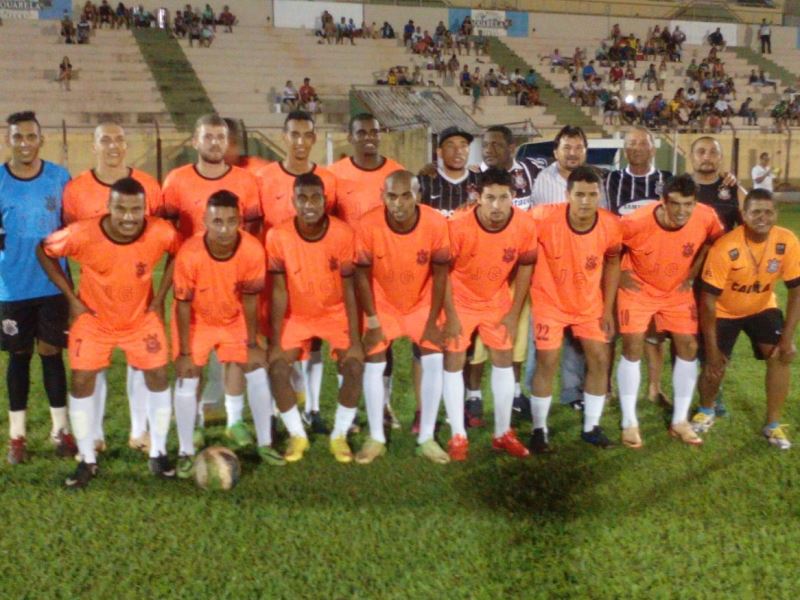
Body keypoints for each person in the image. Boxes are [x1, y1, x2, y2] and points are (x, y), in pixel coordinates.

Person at [37, 178, 178, 487]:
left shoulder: (160, 231)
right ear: (109, 207)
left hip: (140, 319)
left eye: (136, 209)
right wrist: (71, 298)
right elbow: (44, 250)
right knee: (82, 381)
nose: (129, 217)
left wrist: (159, 298)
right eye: (121, 209)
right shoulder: (83, 233)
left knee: (158, 377)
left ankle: (158, 451)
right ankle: (87, 459)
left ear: (145, 209)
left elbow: (178, 251)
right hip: (94, 320)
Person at [62, 123, 163, 454]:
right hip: (94, 298)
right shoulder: (76, 188)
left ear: (127, 144)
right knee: (93, 366)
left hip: (138, 297)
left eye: (119, 138)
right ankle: (95, 433)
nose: (113, 145)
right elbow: (69, 238)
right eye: (105, 139)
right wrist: (70, 297)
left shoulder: (148, 185)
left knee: (141, 363)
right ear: (94, 146)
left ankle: (140, 431)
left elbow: (155, 236)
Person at [162, 114, 262, 427]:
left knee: (234, 354)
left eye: (221, 137)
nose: (215, 143)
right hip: (192, 284)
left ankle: (230, 418)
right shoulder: (177, 179)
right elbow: (167, 231)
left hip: (232, 283)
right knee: (192, 357)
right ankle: (191, 429)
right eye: (208, 137)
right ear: (195, 141)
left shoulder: (245, 181)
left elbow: (254, 227)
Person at [172, 190, 280, 475]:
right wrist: (184, 353)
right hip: (197, 320)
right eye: (217, 221)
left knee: (255, 367)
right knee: (188, 377)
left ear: (240, 221)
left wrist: (253, 342)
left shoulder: (252, 250)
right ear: (205, 221)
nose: (224, 229)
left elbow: (250, 299)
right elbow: (182, 306)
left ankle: (263, 441)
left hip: (234, 318)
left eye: (231, 221)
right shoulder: (189, 253)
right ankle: (186, 446)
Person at [616, 174, 723, 448]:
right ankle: (629, 422)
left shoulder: (705, 216)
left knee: (688, 346)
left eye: (688, 204)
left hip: (676, 290)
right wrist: (618, 275)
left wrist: (694, 272)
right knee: (632, 347)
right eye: (675, 204)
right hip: (638, 288)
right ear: (662, 202)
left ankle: (680, 421)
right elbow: (607, 246)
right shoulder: (636, 221)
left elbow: (714, 239)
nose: (682, 211)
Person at [354, 171, 452, 463]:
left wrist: (434, 319)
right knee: (374, 362)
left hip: (421, 301)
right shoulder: (368, 224)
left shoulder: (435, 222)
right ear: (383, 197)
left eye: (406, 195)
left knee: (433, 359)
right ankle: (376, 437)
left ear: (418, 196)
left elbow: (440, 272)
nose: (399, 203)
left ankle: (427, 438)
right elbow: (361, 273)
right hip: (382, 304)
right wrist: (372, 320)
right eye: (392, 196)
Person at [266, 173, 363, 463]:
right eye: (302, 198)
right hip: (297, 316)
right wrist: (274, 340)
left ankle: (340, 435)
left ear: (325, 201)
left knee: (356, 366)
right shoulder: (278, 236)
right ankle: (298, 435)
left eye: (315, 197)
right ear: (293, 201)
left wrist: (355, 340)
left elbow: (349, 289)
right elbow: (279, 291)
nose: (309, 204)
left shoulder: (343, 234)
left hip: (334, 314)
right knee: (278, 369)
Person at [692, 189, 800, 450]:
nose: (762, 217)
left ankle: (773, 424)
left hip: (762, 307)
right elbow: (707, 301)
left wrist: (787, 338)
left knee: (780, 355)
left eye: (768, 211)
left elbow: (796, 291)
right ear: (744, 214)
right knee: (715, 364)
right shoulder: (726, 246)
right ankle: (706, 410)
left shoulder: (787, 241)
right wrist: (712, 347)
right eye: (755, 212)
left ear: (776, 213)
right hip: (723, 311)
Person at [441, 168, 536, 461]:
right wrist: (451, 315)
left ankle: (502, 432)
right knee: (455, 361)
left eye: (503, 197)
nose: (497, 206)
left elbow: (525, 265)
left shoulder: (524, 225)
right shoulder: (458, 226)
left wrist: (513, 311)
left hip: (495, 298)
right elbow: (442, 271)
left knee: (503, 361)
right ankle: (458, 434)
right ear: (478, 198)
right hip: (460, 299)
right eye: (490, 198)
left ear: (513, 197)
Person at [528, 166, 621, 451]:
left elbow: (614, 260)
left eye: (592, 195)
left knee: (600, 359)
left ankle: (591, 426)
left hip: (588, 305)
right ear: (567, 194)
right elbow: (510, 223)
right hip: (549, 302)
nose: (585, 201)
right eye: (579, 194)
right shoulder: (543, 217)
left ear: (599, 196)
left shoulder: (610, 225)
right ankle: (539, 429)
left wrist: (607, 310)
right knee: (547, 362)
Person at [0, 111, 75, 465]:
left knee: (50, 352)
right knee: (19, 356)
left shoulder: (59, 178)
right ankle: (18, 436)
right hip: (11, 287)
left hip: (52, 284)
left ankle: (60, 430)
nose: (25, 143)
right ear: (8, 140)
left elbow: (72, 229)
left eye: (31, 136)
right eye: (18, 137)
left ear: (41, 139)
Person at [329, 113, 404, 226]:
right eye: (361, 133)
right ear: (350, 138)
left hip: (384, 243)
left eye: (374, 132)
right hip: (348, 242)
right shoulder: (333, 173)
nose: (369, 137)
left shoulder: (397, 172)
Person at [419, 127, 478, 217]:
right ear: (440, 152)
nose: (458, 151)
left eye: (463, 146)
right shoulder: (423, 182)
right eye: (450, 146)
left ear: (468, 150)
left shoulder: (482, 182)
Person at [690, 136, 743, 233]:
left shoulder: (732, 187)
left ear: (721, 157)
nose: (707, 157)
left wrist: (738, 186)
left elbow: (750, 225)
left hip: (724, 246)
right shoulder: (679, 187)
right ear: (691, 157)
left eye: (713, 152)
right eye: (701, 152)